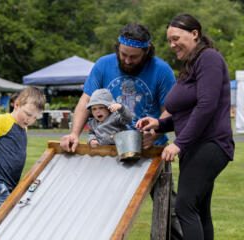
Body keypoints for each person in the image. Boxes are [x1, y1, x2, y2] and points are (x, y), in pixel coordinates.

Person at [60, 23, 183, 239]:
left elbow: (171, 111)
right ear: (118, 47)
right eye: (123, 54)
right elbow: (85, 101)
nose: (127, 60)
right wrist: (74, 134)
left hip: (152, 148)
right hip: (110, 148)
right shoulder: (103, 65)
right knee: (105, 209)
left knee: (169, 210)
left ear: (147, 50)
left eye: (134, 57)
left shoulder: (161, 70)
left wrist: (153, 132)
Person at [136, 14, 234, 240]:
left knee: (184, 207)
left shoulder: (209, 58)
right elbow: (185, 114)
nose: (172, 45)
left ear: (195, 34)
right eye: (169, 40)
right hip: (197, 147)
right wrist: (159, 123)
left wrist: (179, 143)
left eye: (176, 38)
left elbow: (207, 106)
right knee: (199, 210)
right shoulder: (191, 65)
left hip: (210, 145)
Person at [0, 86, 46, 215]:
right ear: (17, 105)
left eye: (35, 117)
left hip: (10, 187)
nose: (30, 120)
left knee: (7, 224)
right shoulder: (3, 121)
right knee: (1, 225)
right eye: (28, 114)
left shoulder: (23, 127)